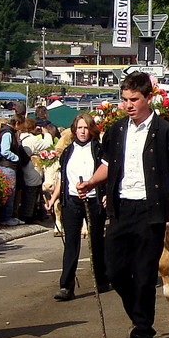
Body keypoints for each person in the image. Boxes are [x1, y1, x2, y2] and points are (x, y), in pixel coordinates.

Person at [79, 72, 169, 338]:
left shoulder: (166, 133)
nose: (128, 105)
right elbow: (107, 166)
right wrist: (91, 182)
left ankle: (142, 334)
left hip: (151, 211)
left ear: (148, 98)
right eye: (124, 99)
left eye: (134, 99)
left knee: (143, 275)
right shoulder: (115, 132)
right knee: (113, 272)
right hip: (120, 209)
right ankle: (138, 316)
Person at [47, 113, 109, 300]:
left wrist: (106, 194)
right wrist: (53, 199)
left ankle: (101, 279)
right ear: (74, 130)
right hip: (72, 201)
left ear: (91, 130)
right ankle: (66, 286)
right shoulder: (67, 152)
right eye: (80, 128)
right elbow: (62, 178)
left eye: (86, 128)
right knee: (71, 244)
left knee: (96, 241)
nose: (83, 131)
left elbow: (107, 173)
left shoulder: (99, 149)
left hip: (93, 200)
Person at [18, 117, 50, 223]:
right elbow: (47, 144)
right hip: (32, 167)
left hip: (22, 166)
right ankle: (29, 215)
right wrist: (46, 133)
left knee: (25, 192)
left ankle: (25, 213)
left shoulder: (20, 137)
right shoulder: (33, 139)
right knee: (32, 192)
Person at [0, 116, 24, 226]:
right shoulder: (8, 133)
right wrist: (16, 158)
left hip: (9, 167)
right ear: (17, 123)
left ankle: (8, 216)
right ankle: (6, 218)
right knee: (9, 193)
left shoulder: (9, 132)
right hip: (7, 167)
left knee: (10, 193)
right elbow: (5, 151)